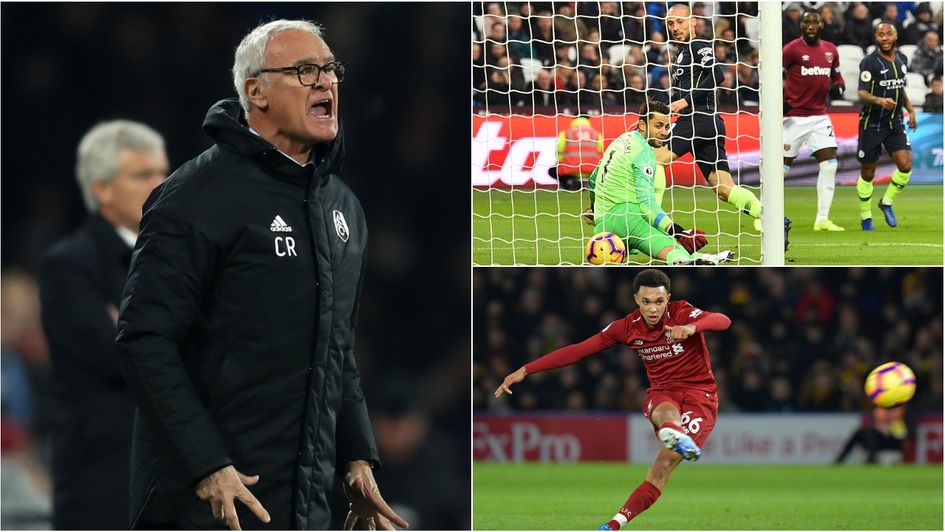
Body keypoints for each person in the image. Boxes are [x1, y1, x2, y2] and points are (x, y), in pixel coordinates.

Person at [114, 19, 407, 530]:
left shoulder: (343, 207)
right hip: (206, 505)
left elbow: (337, 350)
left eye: (331, 70)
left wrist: (357, 458)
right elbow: (144, 339)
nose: (326, 82)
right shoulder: (196, 197)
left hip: (306, 506)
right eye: (305, 70)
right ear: (256, 91)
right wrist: (207, 466)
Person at [494, 269, 732, 531]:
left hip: (701, 395)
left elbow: (722, 320)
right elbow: (579, 350)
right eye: (646, 302)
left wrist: (692, 327)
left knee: (661, 468)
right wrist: (526, 369)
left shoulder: (682, 313)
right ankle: (615, 522)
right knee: (666, 411)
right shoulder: (627, 327)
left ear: (668, 299)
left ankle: (670, 440)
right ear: (635, 300)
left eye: (659, 301)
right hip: (663, 392)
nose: (653, 309)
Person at [38, 120, 168, 529]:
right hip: (103, 474)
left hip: (168, 467)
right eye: (142, 175)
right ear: (101, 188)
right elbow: (118, 356)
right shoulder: (69, 265)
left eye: (164, 172)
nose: (160, 183)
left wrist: (137, 328)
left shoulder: (178, 258)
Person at [655, 4, 790, 247]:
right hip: (709, 124)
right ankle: (772, 217)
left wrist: (685, 101)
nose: (675, 28)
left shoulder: (698, 45)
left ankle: (651, 224)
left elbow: (718, 75)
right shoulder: (681, 53)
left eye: (680, 22)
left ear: (693, 21)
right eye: (671, 24)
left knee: (655, 160)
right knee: (724, 189)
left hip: (697, 119)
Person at [584, 99, 733, 265]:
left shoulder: (619, 140)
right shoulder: (645, 154)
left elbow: (593, 179)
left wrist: (593, 207)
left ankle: (708, 259)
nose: (664, 132)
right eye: (658, 126)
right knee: (673, 250)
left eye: (667, 127)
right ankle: (686, 262)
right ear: (642, 124)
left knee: (669, 242)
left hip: (602, 226)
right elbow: (646, 203)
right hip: (629, 219)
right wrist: (677, 230)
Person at [782, 9, 847, 231]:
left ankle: (822, 219)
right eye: (806, 22)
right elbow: (772, 72)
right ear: (801, 25)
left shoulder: (830, 50)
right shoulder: (791, 50)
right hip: (793, 118)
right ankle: (766, 214)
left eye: (814, 22)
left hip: (820, 117)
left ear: (821, 25)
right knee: (780, 169)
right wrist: (780, 100)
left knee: (830, 165)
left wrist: (839, 86)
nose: (810, 26)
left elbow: (837, 77)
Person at [855, 21, 918, 231]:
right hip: (871, 123)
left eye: (888, 34)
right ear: (876, 37)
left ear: (896, 35)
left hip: (895, 122)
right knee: (868, 172)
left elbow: (900, 88)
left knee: (906, 165)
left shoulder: (903, 59)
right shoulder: (869, 63)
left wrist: (911, 109)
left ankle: (887, 202)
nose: (885, 38)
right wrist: (879, 101)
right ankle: (866, 217)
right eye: (881, 34)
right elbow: (861, 93)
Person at [556, 116, 604, 190]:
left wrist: (560, 161)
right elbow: (600, 149)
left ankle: (568, 186)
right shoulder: (596, 133)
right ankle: (593, 186)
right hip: (591, 169)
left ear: (574, 119)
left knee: (553, 171)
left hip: (571, 169)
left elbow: (559, 149)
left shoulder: (566, 132)